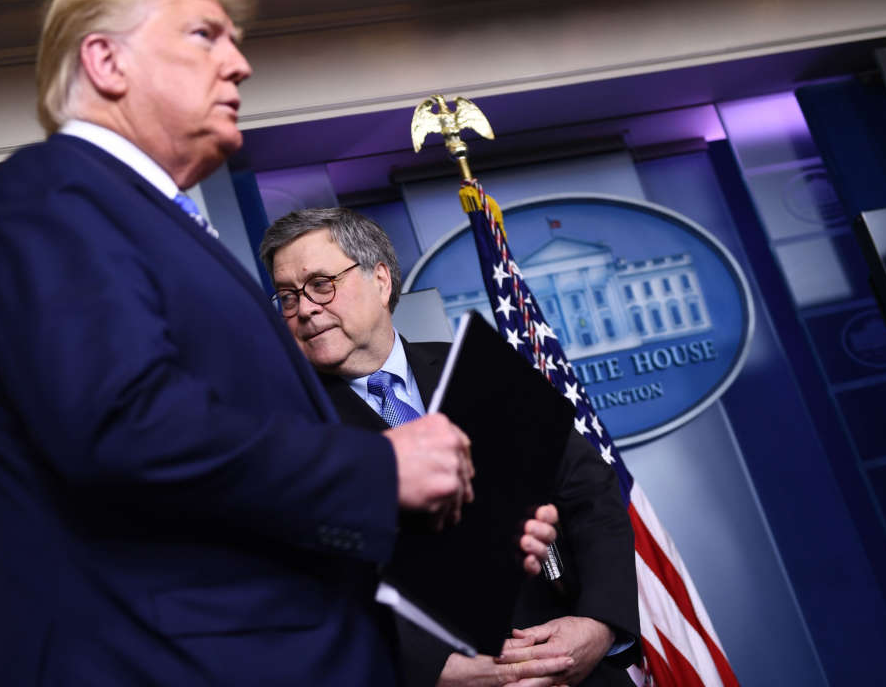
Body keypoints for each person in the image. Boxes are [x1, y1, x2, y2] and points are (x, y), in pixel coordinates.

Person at [0, 0, 487, 686]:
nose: (239, 64)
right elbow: (123, 429)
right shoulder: (51, 194)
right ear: (105, 61)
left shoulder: (153, 221)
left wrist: (428, 523)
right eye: (204, 36)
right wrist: (379, 466)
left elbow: (223, 491)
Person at [260, 207, 642, 687]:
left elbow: (592, 495)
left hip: (574, 667)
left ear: (380, 281)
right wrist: (431, 672)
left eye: (321, 284)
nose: (306, 309)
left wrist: (599, 625)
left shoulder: (480, 367)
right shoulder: (287, 433)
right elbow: (304, 585)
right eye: (288, 297)